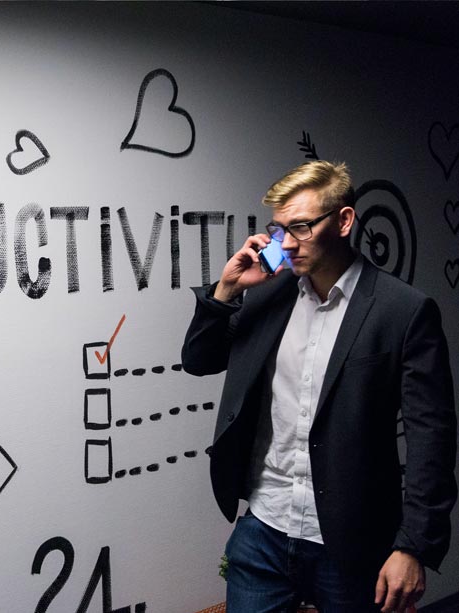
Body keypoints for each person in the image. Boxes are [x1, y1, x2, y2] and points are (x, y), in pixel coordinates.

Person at [181, 161, 457, 612]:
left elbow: (433, 439)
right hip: (263, 530)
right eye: (280, 228)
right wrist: (227, 290)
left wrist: (413, 547)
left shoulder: (403, 310)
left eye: (302, 227)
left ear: (344, 221)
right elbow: (198, 360)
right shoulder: (269, 293)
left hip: (353, 541)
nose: (287, 243)